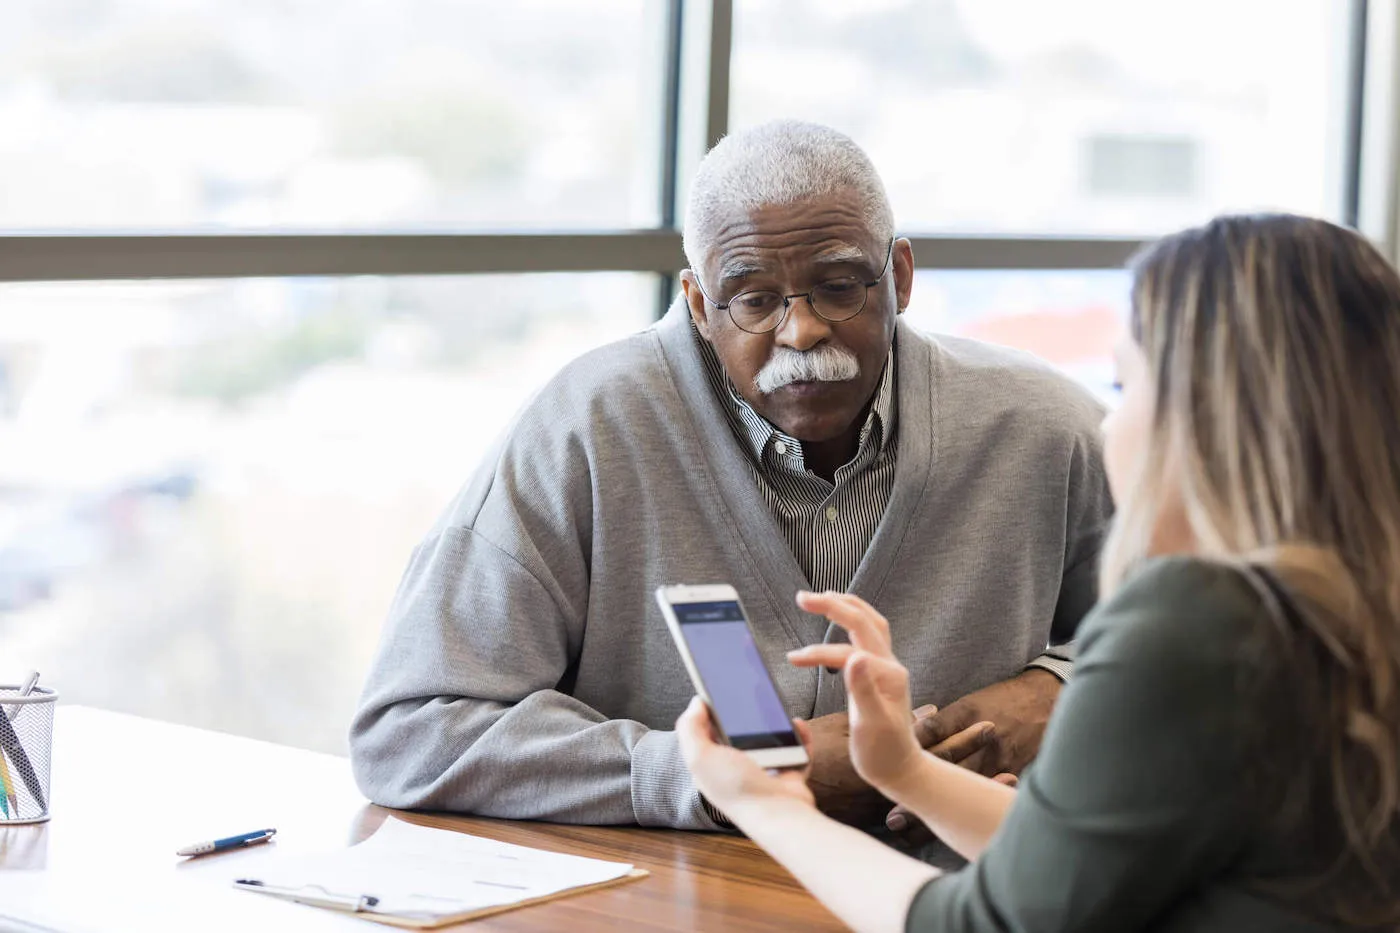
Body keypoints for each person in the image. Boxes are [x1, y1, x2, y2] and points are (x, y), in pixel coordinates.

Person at [350, 120, 1110, 833]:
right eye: (753, 299)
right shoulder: (586, 430)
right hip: (674, 903)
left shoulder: (1045, 427)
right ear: (697, 303)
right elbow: (413, 730)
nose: (802, 330)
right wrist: (719, 776)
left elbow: (1206, 647)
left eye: (841, 286)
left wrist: (1062, 693)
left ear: (901, 275)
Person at [680, 213, 1400, 930]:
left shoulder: (1200, 620)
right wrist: (904, 769)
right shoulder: (1344, 607)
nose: (1110, 425)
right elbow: (1082, 859)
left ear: (1210, 418)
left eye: (1125, 388)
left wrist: (767, 805)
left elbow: (986, 923)